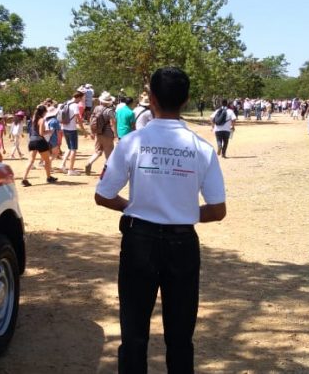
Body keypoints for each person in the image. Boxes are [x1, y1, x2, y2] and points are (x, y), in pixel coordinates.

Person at [94, 66, 226, 374]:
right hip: (183, 244)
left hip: (139, 242)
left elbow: (103, 195)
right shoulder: (202, 149)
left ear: (151, 98)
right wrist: (183, 212)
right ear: (187, 100)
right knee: (181, 339)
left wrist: (135, 206)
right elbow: (218, 210)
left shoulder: (132, 143)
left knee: (134, 335)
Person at [21, 105, 57, 186]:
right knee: (47, 161)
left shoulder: (34, 119)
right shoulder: (42, 120)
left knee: (31, 160)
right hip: (40, 140)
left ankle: (24, 179)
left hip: (32, 140)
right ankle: (49, 177)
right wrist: (49, 131)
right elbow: (41, 133)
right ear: (43, 112)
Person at [84, 91, 117, 176]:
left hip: (98, 133)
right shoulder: (109, 111)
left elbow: (92, 120)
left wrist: (92, 132)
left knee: (97, 151)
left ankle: (89, 162)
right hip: (107, 134)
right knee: (109, 155)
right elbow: (113, 123)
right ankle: (105, 172)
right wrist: (115, 134)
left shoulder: (96, 108)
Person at [59, 91, 84, 175]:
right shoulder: (75, 105)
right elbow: (78, 118)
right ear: (79, 97)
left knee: (69, 148)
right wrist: (83, 130)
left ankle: (62, 165)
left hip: (64, 128)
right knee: (73, 149)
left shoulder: (66, 103)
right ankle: (71, 169)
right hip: (72, 129)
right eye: (81, 98)